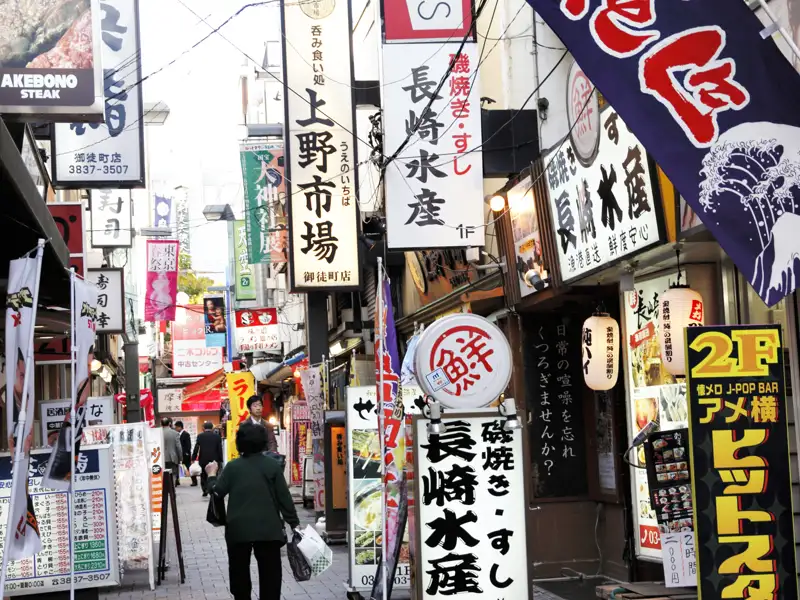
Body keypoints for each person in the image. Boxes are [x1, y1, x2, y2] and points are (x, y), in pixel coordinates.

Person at [206, 423, 299, 600]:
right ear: (263, 442)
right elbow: (284, 498)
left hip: (238, 530)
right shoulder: (272, 466)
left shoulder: (233, 467)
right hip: (268, 530)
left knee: (239, 573)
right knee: (270, 576)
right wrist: (293, 523)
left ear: (240, 442)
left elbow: (217, 492)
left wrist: (211, 475)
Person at [193, 421, 223, 496]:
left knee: (203, 474)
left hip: (203, 458)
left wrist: (193, 457)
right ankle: (213, 488)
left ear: (204, 428)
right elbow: (219, 449)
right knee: (214, 474)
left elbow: (196, 447)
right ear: (212, 428)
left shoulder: (200, 436)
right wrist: (220, 459)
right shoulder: (217, 437)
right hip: (215, 459)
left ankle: (205, 489)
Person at [161, 418, 183, 486]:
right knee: (173, 473)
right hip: (172, 457)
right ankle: (172, 489)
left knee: (162, 474)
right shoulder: (175, 433)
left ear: (161, 424)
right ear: (170, 424)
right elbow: (178, 447)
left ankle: (165, 489)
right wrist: (180, 458)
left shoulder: (158, 432)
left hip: (160, 457)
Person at [175, 421, 194, 487]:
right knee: (176, 467)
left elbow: (188, 445)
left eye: (176, 427)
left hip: (185, 454)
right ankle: (177, 481)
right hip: (178, 454)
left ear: (180, 427)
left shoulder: (186, 434)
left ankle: (194, 481)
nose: (176, 429)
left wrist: (186, 453)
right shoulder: (177, 434)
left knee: (188, 467)